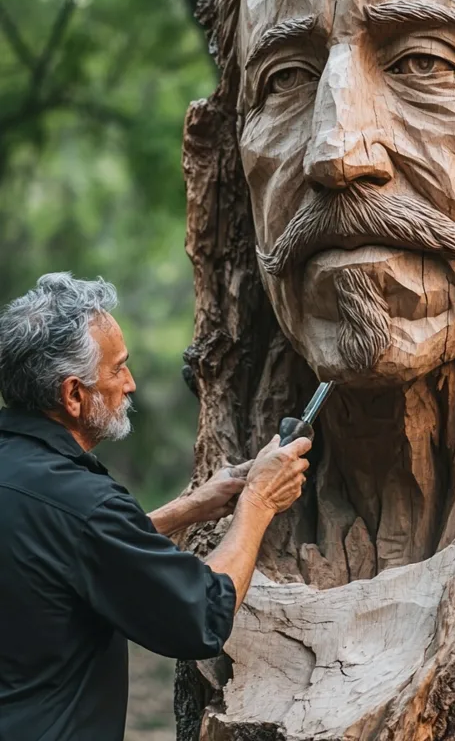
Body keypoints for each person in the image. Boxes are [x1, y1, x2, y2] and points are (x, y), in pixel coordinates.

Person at [0, 272, 311, 741]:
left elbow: (57, 551)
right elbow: (201, 619)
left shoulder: (29, 482)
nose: (131, 384)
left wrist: (187, 509)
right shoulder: (84, 505)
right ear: (72, 395)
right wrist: (258, 501)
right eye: (118, 368)